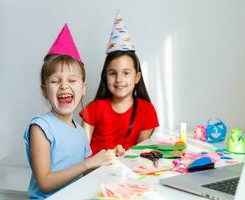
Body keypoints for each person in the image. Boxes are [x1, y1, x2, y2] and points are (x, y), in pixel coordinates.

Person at [23, 24, 117, 199]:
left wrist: (109, 159)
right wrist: (88, 163)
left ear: (83, 88)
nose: (64, 86)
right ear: (44, 90)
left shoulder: (80, 132)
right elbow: (45, 183)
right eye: (55, 81)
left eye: (72, 80)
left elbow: (86, 171)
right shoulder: (41, 128)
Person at [79, 11, 159, 156]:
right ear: (105, 77)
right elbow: (81, 154)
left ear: (137, 77)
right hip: (93, 173)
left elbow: (142, 153)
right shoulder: (93, 110)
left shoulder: (147, 111)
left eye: (126, 73)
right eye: (112, 73)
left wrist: (124, 157)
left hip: (128, 172)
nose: (119, 79)